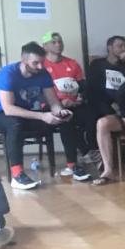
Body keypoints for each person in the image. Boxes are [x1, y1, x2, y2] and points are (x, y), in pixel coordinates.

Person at [0, 42, 85, 189]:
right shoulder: (7, 74)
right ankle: (17, 175)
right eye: (35, 63)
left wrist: (60, 112)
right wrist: (42, 116)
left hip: (23, 114)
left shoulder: (43, 74)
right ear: (23, 60)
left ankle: (72, 166)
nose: (40, 66)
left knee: (64, 120)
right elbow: (9, 109)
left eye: (42, 62)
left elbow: (53, 102)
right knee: (14, 123)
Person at [40, 30, 92, 171]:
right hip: (50, 105)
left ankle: (91, 151)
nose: (58, 44)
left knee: (92, 115)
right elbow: (38, 91)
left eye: (60, 42)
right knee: (66, 118)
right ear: (45, 46)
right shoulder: (40, 65)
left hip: (74, 104)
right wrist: (59, 103)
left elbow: (82, 86)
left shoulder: (72, 63)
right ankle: (72, 163)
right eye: (54, 42)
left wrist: (80, 97)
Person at [85, 35, 125, 149]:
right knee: (91, 115)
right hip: (101, 102)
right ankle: (95, 150)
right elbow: (93, 88)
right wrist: (109, 106)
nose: (124, 49)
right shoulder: (97, 64)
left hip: (122, 103)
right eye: (120, 46)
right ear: (110, 47)